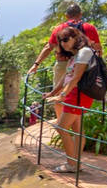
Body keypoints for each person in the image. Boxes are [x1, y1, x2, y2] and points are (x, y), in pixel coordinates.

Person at [41, 26, 96, 173]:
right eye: (60, 41)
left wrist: (62, 95)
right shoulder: (75, 55)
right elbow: (66, 76)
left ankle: (72, 164)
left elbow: (76, 77)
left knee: (61, 128)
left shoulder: (84, 52)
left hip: (78, 94)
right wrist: (53, 92)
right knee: (77, 130)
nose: (63, 43)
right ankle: (75, 163)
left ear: (76, 38)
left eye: (66, 39)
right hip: (74, 94)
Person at [28, 3, 104, 89]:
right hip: (83, 65)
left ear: (66, 15)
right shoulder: (90, 28)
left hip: (63, 63)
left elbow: (48, 47)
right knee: (82, 91)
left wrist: (36, 64)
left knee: (58, 92)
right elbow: (98, 49)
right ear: (81, 14)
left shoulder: (59, 28)